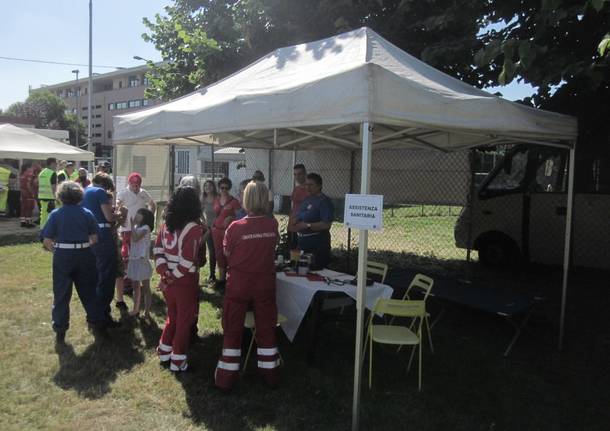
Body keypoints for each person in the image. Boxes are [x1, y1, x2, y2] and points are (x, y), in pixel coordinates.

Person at [215, 181, 280, 391]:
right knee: (266, 327)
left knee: (233, 328)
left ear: (246, 199)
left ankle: (226, 377)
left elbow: (226, 253)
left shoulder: (236, 226)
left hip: (239, 284)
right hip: (265, 283)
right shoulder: (272, 225)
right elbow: (273, 247)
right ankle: (270, 374)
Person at [41, 181, 104, 343]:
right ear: (79, 196)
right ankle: (96, 323)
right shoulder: (86, 213)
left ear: (61, 196)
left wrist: (59, 250)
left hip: (63, 256)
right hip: (84, 255)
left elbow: (47, 241)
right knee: (89, 291)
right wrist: (82, 247)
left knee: (61, 293)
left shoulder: (56, 214)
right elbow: (95, 238)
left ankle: (60, 330)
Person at [154, 187, 205, 372]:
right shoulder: (193, 228)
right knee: (184, 321)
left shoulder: (165, 224)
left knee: (173, 317)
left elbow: (157, 251)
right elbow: (187, 262)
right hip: (184, 281)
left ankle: (164, 352)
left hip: (169, 279)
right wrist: (170, 278)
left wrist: (164, 274)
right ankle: (178, 360)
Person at [81, 173, 123, 328]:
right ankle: (102, 315)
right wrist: (119, 214)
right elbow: (109, 217)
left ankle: (92, 312)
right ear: (105, 185)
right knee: (106, 275)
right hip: (103, 235)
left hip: (88, 236)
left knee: (95, 275)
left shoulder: (84, 191)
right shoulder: (99, 192)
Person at [293, 173, 334, 269]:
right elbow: (299, 216)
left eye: (311, 185)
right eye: (306, 184)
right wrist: (296, 220)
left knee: (315, 271)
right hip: (302, 242)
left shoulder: (324, 201)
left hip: (317, 244)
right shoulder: (307, 199)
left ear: (319, 186)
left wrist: (308, 225)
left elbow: (326, 224)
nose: (307, 187)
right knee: (298, 267)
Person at [117, 172, 156, 271]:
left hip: (141, 228)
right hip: (127, 228)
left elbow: (152, 204)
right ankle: (128, 276)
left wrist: (149, 218)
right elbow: (118, 205)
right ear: (129, 183)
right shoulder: (123, 193)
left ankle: (138, 275)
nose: (135, 188)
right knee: (127, 253)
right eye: (133, 185)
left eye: (137, 185)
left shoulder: (143, 192)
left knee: (140, 253)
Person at [212, 177, 241, 287]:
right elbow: (213, 213)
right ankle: (221, 279)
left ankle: (231, 278)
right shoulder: (216, 200)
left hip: (228, 232)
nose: (224, 189)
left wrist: (231, 219)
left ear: (229, 188)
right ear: (219, 188)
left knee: (228, 254)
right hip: (216, 231)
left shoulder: (234, 201)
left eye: (226, 187)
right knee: (219, 254)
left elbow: (240, 217)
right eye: (222, 187)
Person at [127, 208, 154, 317]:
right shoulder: (135, 227)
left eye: (139, 213)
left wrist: (132, 225)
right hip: (133, 259)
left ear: (145, 217)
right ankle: (135, 309)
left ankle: (147, 311)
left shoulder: (146, 228)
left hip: (142, 260)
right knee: (135, 287)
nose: (136, 215)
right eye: (137, 212)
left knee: (146, 287)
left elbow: (136, 238)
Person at [288, 164, 309, 249]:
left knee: (303, 254)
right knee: (293, 253)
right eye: (295, 174)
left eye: (299, 174)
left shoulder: (309, 188)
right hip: (292, 226)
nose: (297, 176)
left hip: (303, 226)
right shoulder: (296, 189)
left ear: (305, 174)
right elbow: (293, 207)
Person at [202, 180, 218, 284]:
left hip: (218, 228)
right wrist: (204, 223)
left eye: (210, 185)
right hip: (208, 229)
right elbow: (199, 212)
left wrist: (216, 223)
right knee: (212, 252)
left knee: (219, 251)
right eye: (205, 185)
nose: (207, 187)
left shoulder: (218, 197)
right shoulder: (203, 198)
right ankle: (212, 275)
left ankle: (223, 274)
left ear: (213, 187)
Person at [38, 158, 58, 228]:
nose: (56, 165)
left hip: (42, 197)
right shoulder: (52, 173)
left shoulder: (42, 172)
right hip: (50, 198)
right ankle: (48, 232)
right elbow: (54, 188)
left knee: (43, 215)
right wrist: (56, 198)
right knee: (51, 216)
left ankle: (42, 230)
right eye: (56, 164)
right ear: (52, 164)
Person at [19, 163, 36, 228]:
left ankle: (22, 222)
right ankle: (28, 223)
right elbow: (28, 184)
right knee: (29, 208)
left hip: (23, 192)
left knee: (23, 207)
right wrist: (32, 192)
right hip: (28, 193)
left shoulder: (22, 174)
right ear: (28, 167)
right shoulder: (29, 173)